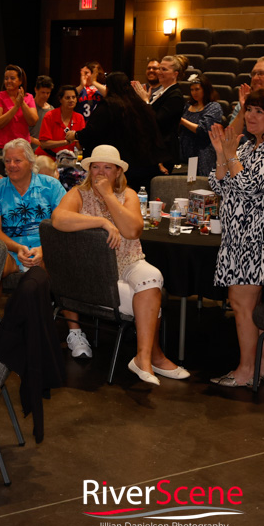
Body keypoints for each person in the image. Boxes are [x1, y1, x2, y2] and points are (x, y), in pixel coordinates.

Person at [51, 145, 188, 384]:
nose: (101, 172)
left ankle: (144, 358)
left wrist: (108, 197)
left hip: (129, 262)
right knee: (149, 295)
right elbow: (58, 219)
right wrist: (102, 223)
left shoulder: (129, 195)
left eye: (107, 167)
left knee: (153, 276)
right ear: (89, 170)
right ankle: (152, 357)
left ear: (117, 172)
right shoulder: (78, 193)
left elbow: (132, 230)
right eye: (96, 167)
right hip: (98, 273)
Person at [208, 89, 264, 387]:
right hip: (238, 236)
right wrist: (221, 155)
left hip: (257, 238)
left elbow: (250, 185)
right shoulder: (247, 147)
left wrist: (229, 156)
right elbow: (218, 185)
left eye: (259, 111)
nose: (251, 117)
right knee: (250, 304)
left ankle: (244, 371)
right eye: (249, 110)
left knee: (240, 302)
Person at [0, 139, 87, 355]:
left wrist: (44, 249)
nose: (11, 165)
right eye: (8, 161)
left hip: (47, 246)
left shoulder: (51, 187)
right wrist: (18, 248)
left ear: (30, 162)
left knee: (59, 267)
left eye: (17, 160)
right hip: (11, 249)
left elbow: (63, 223)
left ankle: (75, 332)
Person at [76, 72, 163, 193]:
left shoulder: (108, 105)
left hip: (118, 166)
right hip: (143, 165)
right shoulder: (141, 105)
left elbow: (92, 132)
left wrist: (75, 135)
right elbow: (155, 133)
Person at [134, 55, 183, 172]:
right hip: (152, 150)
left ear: (175, 74)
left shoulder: (175, 96)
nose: (159, 72)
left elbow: (157, 121)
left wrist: (146, 101)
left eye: (164, 69)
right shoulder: (162, 92)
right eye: (160, 68)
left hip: (164, 153)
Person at [226, 56, 264, 136]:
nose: (255, 78)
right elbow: (228, 138)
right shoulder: (245, 102)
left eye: (261, 74)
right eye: (253, 74)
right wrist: (243, 110)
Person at [178, 73, 222, 175]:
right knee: (185, 183)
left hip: (202, 153)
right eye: (192, 90)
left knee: (198, 183)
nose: (194, 92)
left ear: (205, 89)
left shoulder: (213, 107)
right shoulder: (188, 106)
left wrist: (182, 121)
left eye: (197, 89)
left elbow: (203, 130)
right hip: (185, 152)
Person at [0, 64, 37, 155]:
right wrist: (16, 107)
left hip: (22, 148)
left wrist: (22, 102)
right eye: (6, 78)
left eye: (12, 78)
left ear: (20, 81)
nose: (8, 81)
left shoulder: (28, 97)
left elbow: (33, 121)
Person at [36, 85, 84, 158]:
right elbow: (44, 144)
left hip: (68, 159)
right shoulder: (50, 116)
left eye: (74, 97)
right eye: (67, 98)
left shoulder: (79, 118)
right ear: (60, 99)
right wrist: (66, 142)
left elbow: (80, 145)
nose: (71, 100)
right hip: (46, 157)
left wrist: (78, 142)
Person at [31, 74, 54, 146]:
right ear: (36, 90)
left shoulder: (51, 110)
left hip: (44, 150)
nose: (45, 95)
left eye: (48, 93)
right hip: (27, 148)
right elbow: (20, 131)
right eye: (43, 92)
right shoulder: (28, 107)